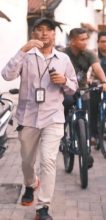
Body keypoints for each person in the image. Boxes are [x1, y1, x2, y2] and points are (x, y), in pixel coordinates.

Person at [1, 18, 78, 220]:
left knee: (48, 161)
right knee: (27, 161)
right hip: (27, 117)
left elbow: (74, 86)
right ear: (34, 33)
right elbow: (7, 75)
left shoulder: (63, 59)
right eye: (40, 30)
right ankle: (30, 184)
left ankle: (43, 207)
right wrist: (23, 49)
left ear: (54, 34)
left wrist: (64, 81)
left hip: (53, 117)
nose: (44, 34)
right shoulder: (26, 56)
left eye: (49, 30)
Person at [63, 28, 106, 147]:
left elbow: (97, 68)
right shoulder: (63, 54)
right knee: (65, 109)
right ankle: (61, 135)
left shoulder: (89, 54)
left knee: (85, 117)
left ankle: (85, 146)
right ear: (72, 41)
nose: (85, 42)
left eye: (86, 39)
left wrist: (104, 81)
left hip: (82, 89)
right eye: (82, 39)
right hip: (66, 89)